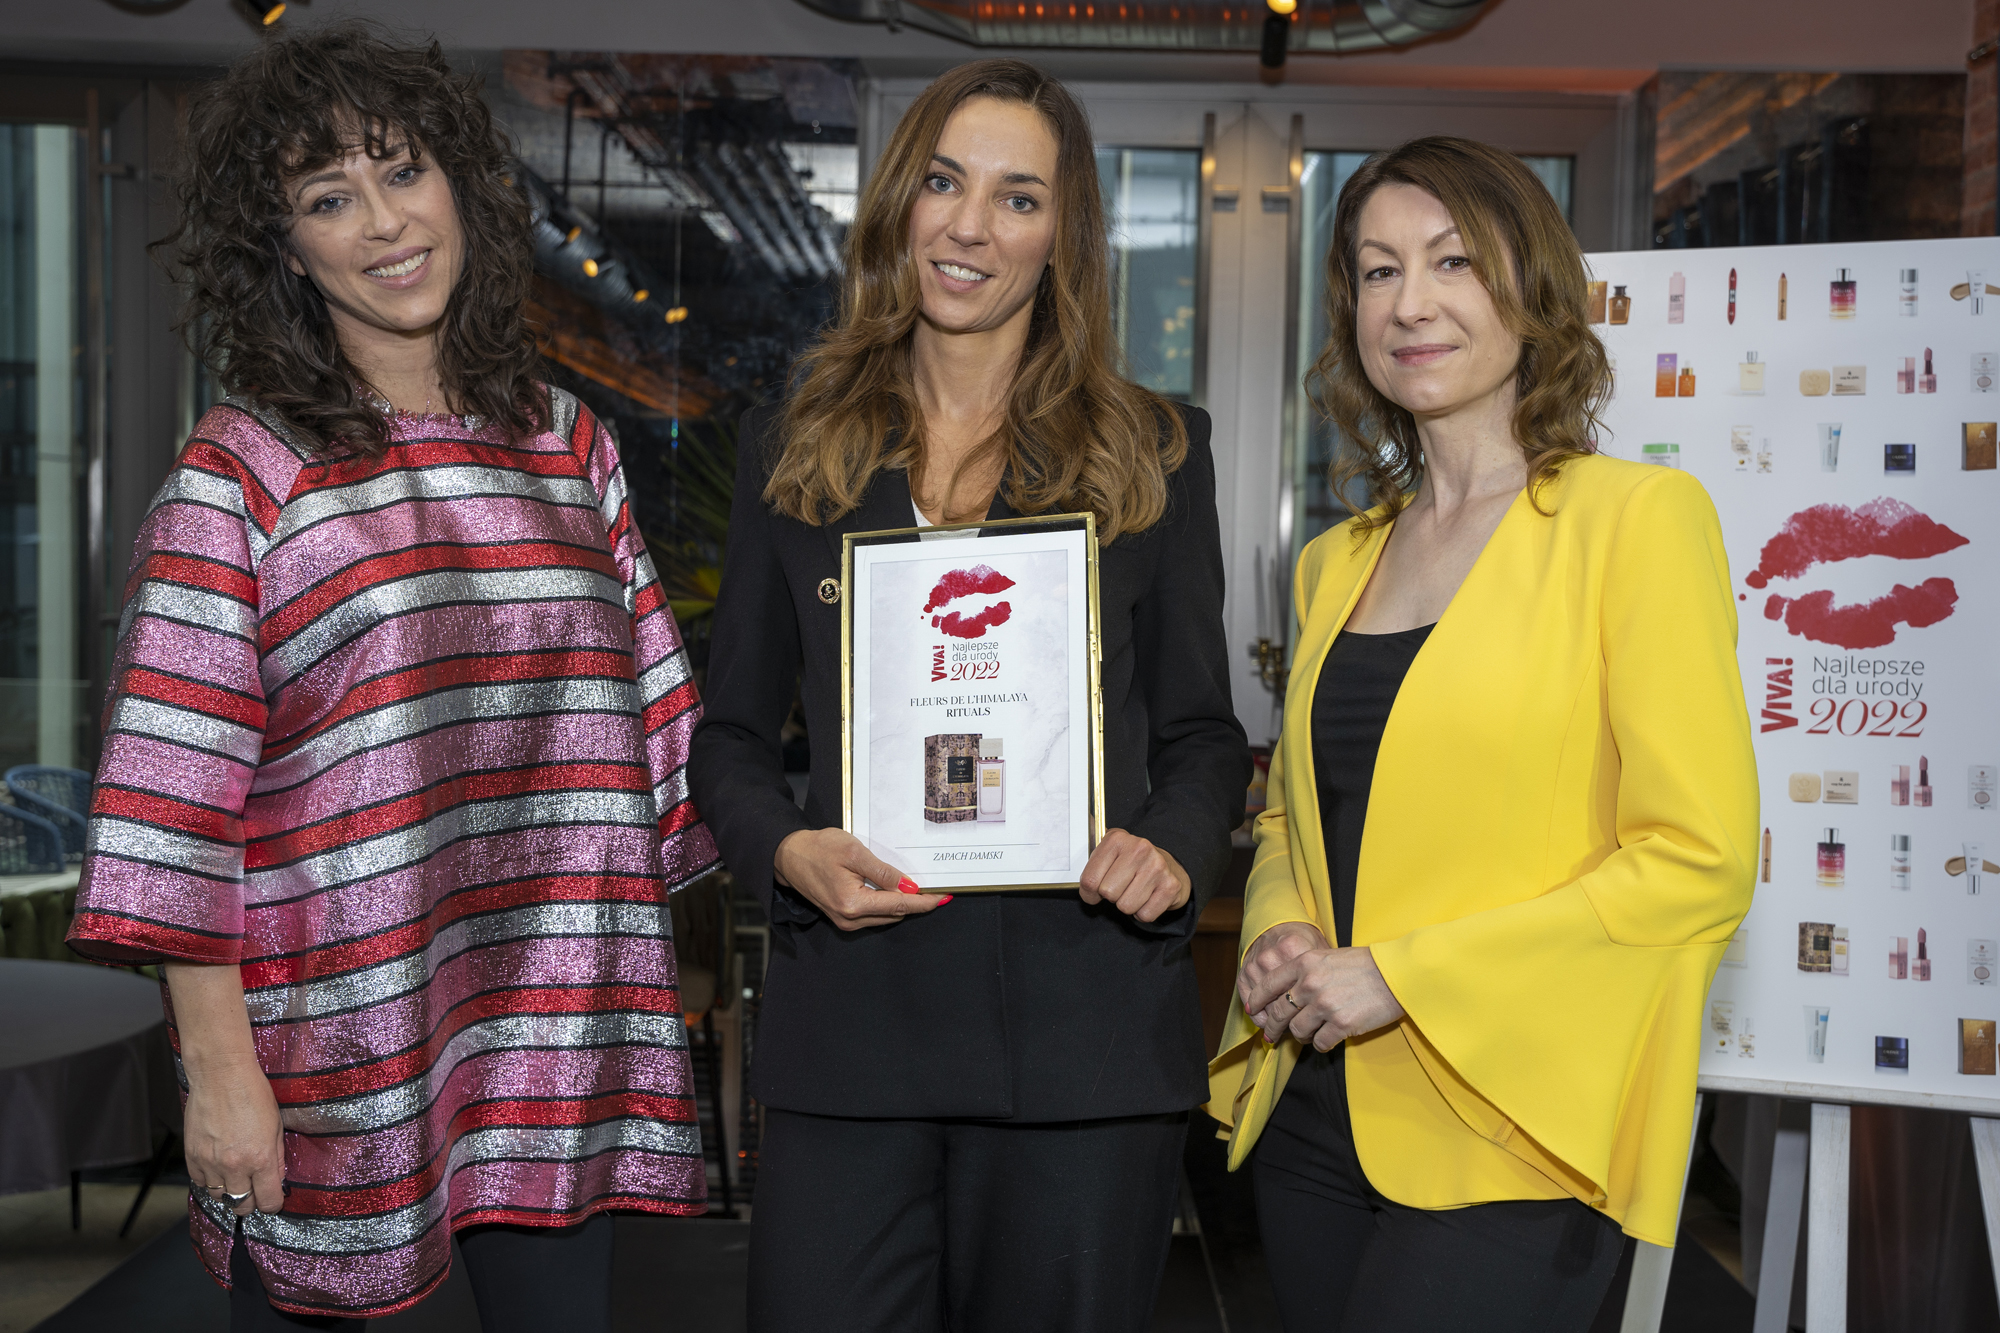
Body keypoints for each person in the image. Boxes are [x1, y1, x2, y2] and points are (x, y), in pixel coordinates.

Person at [66, 24, 718, 1331]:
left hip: (556, 1043)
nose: (381, 222)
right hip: (338, 1060)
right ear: (284, 245)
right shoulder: (239, 474)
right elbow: (170, 817)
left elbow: (655, 743)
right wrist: (221, 1077)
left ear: (460, 185)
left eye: (401, 171)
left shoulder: (569, 444)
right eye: (328, 197)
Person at [687, 57, 1250, 1333]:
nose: (969, 226)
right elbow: (729, 736)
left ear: (1062, 237)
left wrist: (1171, 846)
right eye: (944, 183)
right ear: (900, 202)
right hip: (854, 1031)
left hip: (1082, 1036)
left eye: (1017, 198)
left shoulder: (1154, 451)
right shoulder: (794, 446)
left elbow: (1201, 734)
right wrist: (783, 850)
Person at [1205, 136, 1757, 1331]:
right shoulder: (1334, 562)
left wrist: (1398, 976)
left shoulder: (1635, 522)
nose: (1409, 303)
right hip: (1314, 1111)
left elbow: (1696, 860)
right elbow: (1295, 815)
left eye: (1451, 261)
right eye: (1377, 270)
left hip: (1513, 1118)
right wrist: (1279, 926)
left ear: (1530, 287)